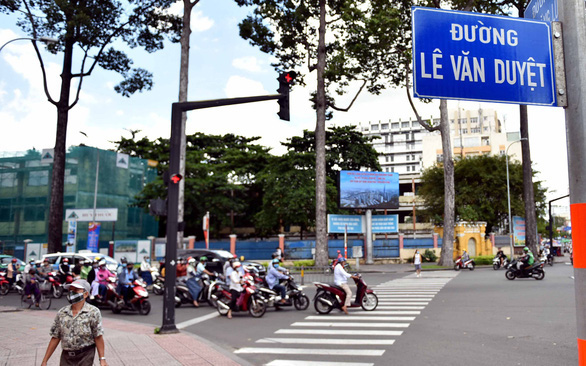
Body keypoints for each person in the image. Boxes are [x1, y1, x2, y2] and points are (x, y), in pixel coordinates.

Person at [40, 279, 108, 366]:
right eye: (70, 290)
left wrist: (102, 359)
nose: (72, 293)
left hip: (85, 355)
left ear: (85, 294)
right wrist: (45, 360)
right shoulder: (62, 313)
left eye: (76, 290)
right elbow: (55, 337)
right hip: (66, 356)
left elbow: (98, 336)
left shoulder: (93, 312)